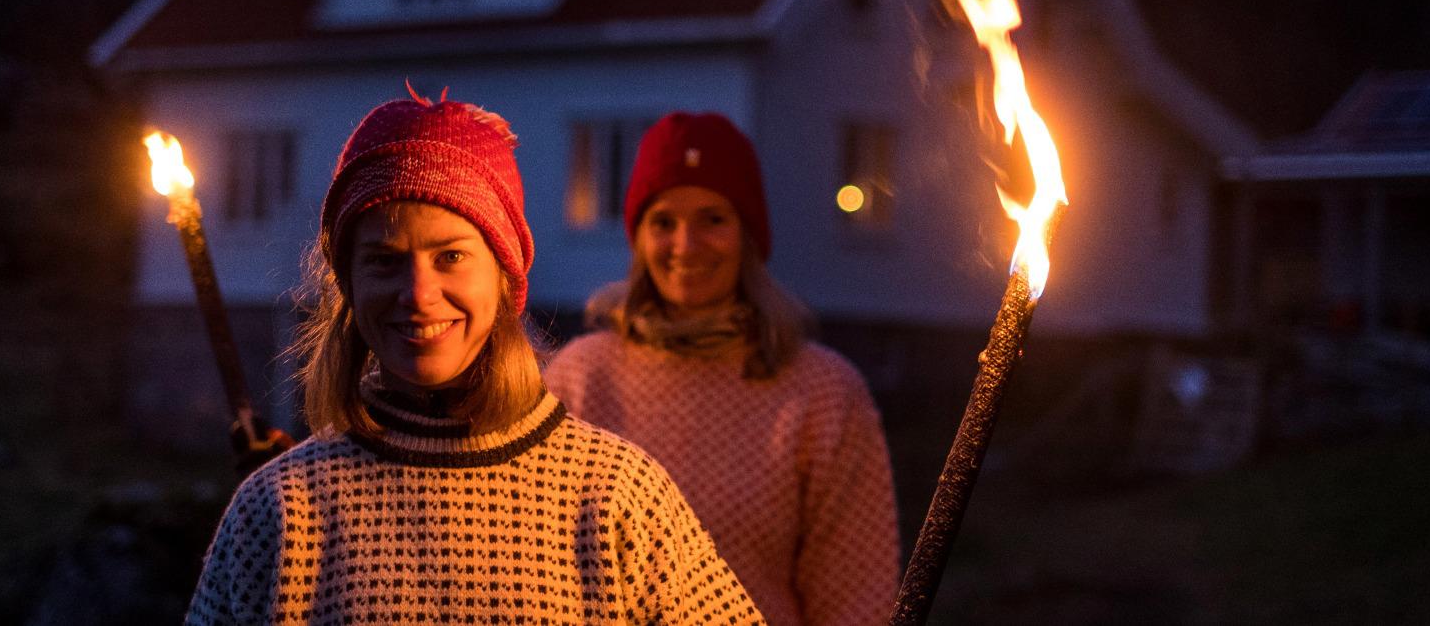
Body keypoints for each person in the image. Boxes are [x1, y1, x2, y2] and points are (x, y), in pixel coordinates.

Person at [184, 90, 764, 624]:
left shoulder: (614, 496)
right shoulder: (281, 510)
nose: (418, 294)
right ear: (350, 284)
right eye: (385, 260)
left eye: (451, 256)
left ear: (505, 276)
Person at [544, 112, 901, 625]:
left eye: (712, 219)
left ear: (748, 236)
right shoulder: (578, 378)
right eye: (664, 222)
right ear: (639, 239)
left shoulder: (822, 393)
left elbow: (855, 598)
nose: (686, 246)